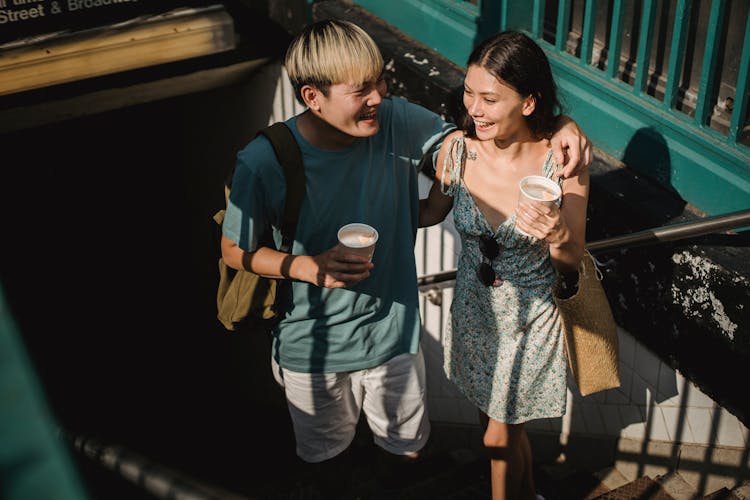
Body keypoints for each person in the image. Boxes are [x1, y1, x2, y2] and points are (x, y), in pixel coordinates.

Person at [221, 19, 590, 498]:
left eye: (380, 81)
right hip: (311, 346)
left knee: (409, 452)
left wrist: (564, 124)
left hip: (394, 334)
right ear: (313, 97)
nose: (379, 96)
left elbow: (476, 135)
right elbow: (234, 249)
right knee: (329, 462)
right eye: (362, 89)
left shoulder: (394, 119)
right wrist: (309, 267)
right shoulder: (263, 161)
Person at [419, 30, 590, 500]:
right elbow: (431, 212)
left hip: (530, 316)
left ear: (529, 102)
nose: (474, 108)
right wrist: (372, 208)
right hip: (475, 309)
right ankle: (531, 491)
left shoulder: (562, 163)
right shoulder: (458, 149)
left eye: (490, 98)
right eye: (470, 92)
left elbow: (571, 256)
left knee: (497, 437)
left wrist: (556, 232)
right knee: (497, 425)